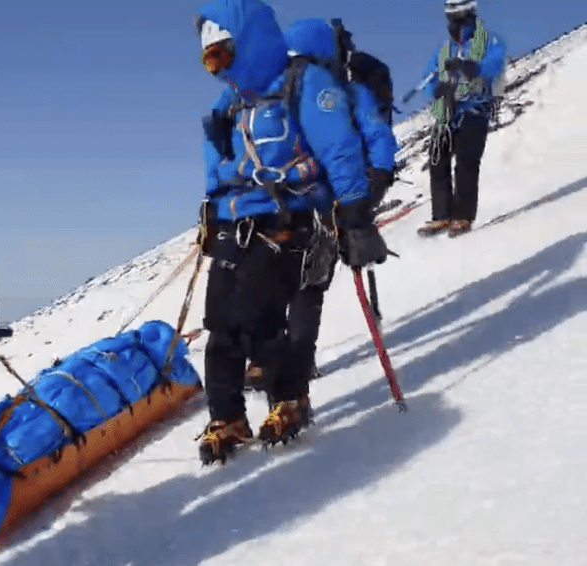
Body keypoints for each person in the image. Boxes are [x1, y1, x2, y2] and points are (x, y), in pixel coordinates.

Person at [193, 0, 389, 465]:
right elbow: (217, 156)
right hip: (236, 216)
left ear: (248, 44)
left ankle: (290, 399)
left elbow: (340, 148)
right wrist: (210, 209)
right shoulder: (233, 100)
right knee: (220, 322)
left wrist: (356, 216)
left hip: (289, 216)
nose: (217, 70)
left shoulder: (306, 84)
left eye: (222, 54)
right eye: (209, 60)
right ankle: (226, 416)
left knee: (264, 317)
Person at [242, 17, 400, 389]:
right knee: (307, 284)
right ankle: (292, 360)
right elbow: (375, 135)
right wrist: (371, 184)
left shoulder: (278, 93)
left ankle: (271, 359)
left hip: (288, 202)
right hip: (323, 202)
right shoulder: (340, 88)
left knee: (285, 278)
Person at [416, 0, 507, 238]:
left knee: (466, 160)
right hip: (447, 111)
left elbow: (495, 63)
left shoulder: (490, 40)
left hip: (475, 107)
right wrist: (435, 91)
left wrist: (472, 67)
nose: (454, 21)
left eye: (459, 15)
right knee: (437, 161)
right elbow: (430, 74)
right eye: (451, 16)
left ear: (470, 13)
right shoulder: (444, 48)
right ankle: (441, 215)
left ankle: (463, 216)